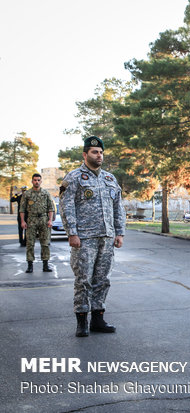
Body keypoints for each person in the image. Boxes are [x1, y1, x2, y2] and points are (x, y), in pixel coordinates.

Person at [60, 136, 126, 338]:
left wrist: (119, 231)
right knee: (83, 280)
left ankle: (98, 319)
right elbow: (66, 206)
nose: (99, 156)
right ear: (85, 154)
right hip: (85, 239)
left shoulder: (110, 179)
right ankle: (82, 322)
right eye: (95, 152)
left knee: (102, 280)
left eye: (101, 152)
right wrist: (72, 233)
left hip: (106, 238)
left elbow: (118, 207)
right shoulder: (74, 177)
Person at [19, 175, 55, 273]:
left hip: (44, 219)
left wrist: (50, 220)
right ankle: (30, 265)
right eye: (35, 180)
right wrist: (23, 221)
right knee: (30, 243)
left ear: (41, 181)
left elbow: (50, 208)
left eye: (38, 180)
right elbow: (22, 209)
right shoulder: (27, 194)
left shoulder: (46, 193)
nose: (37, 182)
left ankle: (45, 265)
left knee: (45, 243)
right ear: (32, 181)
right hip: (32, 219)